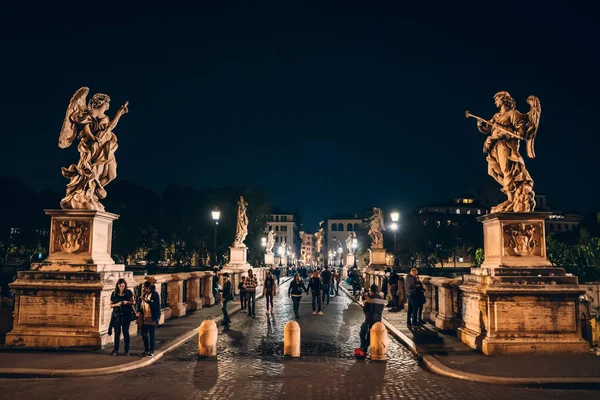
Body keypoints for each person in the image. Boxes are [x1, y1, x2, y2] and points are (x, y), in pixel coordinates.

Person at [355, 284, 386, 358]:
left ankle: (363, 347)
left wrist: (365, 301)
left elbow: (365, 308)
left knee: (362, 332)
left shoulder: (371, 298)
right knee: (371, 335)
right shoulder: (381, 299)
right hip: (378, 320)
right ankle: (365, 348)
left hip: (369, 319)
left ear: (371, 290)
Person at [109, 278, 135, 356]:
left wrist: (127, 302)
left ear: (125, 286)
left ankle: (126, 350)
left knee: (125, 332)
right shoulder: (114, 293)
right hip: (117, 315)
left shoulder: (128, 293)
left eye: (123, 286)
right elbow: (111, 305)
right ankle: (115, 349)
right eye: (120, 286)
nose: (121, 288)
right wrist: (117, 304)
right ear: (117, 285)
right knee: (117, 333)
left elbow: (133, 302)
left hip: (126, 315)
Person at [140, 281, 161, 357]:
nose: (143, 289)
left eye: (144, 287)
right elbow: (142, 305)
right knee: (144, 334)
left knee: (152, 334)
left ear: (148, 288)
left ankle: (151, 351)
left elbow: (156, 305)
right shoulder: (145, 295)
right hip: (145, 317)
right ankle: (146, 350)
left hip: (152, 317)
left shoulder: (155, 294)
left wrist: (147, 301)